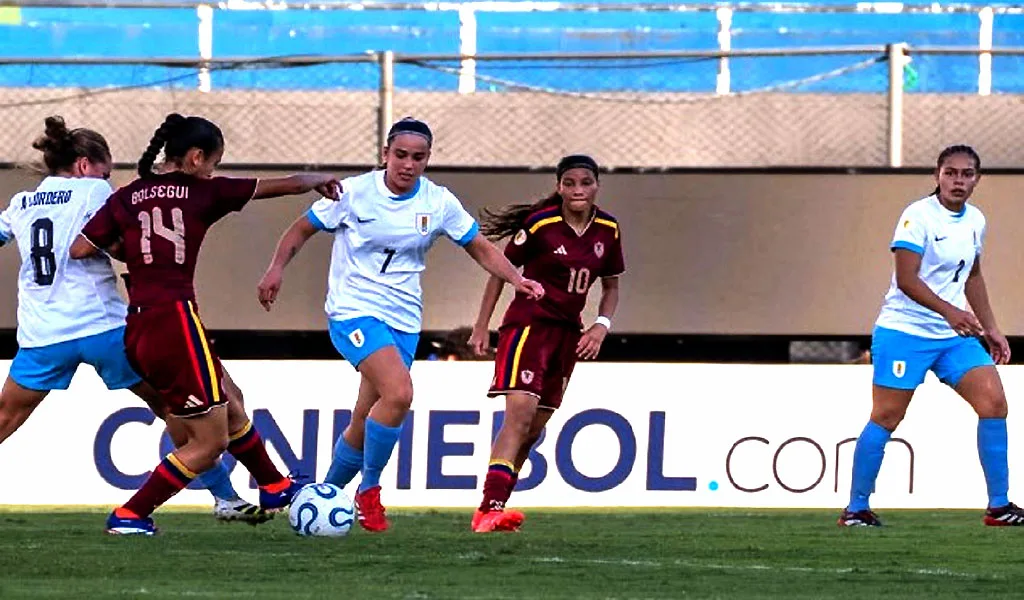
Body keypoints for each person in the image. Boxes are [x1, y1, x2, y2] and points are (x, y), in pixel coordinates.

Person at [256, 117, 544, 532]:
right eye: (401, 155)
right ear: (385, 155)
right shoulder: (353, 193)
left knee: (365, 417)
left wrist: (517, 279)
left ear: (428, 159)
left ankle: (319, 500)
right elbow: (301, 229)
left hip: (404, 320)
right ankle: (368, 491)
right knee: (400, 392)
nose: (408, 164)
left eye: (418, 157)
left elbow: (480, 248)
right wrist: (275, 269)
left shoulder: (438, 201)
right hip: (353, 311)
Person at [70, 113, 341, 535]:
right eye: (214, 160)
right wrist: (318, 178)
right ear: (196, 157)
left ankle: (273, 485)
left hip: (139, 324)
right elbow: (279, 185)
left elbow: (81, 248)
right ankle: (131, 514)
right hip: (175, 321)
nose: (214, 169)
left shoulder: (126, 196)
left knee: (231, 398)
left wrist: (143, 255)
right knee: (209, 441)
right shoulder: (202, 191)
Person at [0, 116, 266, 524]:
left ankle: (227, 496)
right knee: (173, 406)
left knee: (5, 417)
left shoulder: (21, 203)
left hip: (42, 333)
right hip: (101, 327)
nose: (107, 177)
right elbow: (124, 243)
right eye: (105, 170)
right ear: (86, 165)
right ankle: (226, 497)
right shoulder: (95, 192)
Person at [839, 144, 1023, 527]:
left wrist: (991, 328)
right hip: (904, 332)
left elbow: (971, 276)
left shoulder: (976, 220)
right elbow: (907, 279)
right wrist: (951, 312)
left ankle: (999, 507)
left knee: (994, 404)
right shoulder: (917, 216)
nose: (958, 181)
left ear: (977, 179)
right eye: (951, 173)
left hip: (952, 336)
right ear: (937, 176)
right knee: (887, 416)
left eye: (967, 174)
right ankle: (856, 508)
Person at [467, 154, 624, 533]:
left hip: (568, 334)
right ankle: (489, 509)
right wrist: (481, 326)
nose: (577, 190)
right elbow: (499, 273)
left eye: (585, 183)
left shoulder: (608, 229)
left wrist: (600, 327)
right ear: (559, 186)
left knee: (534, 430)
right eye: (569, 183)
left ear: (596, 185)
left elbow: (612, 287)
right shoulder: (541, 224)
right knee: (518, 418)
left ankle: (493, 507)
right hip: (528, 328)